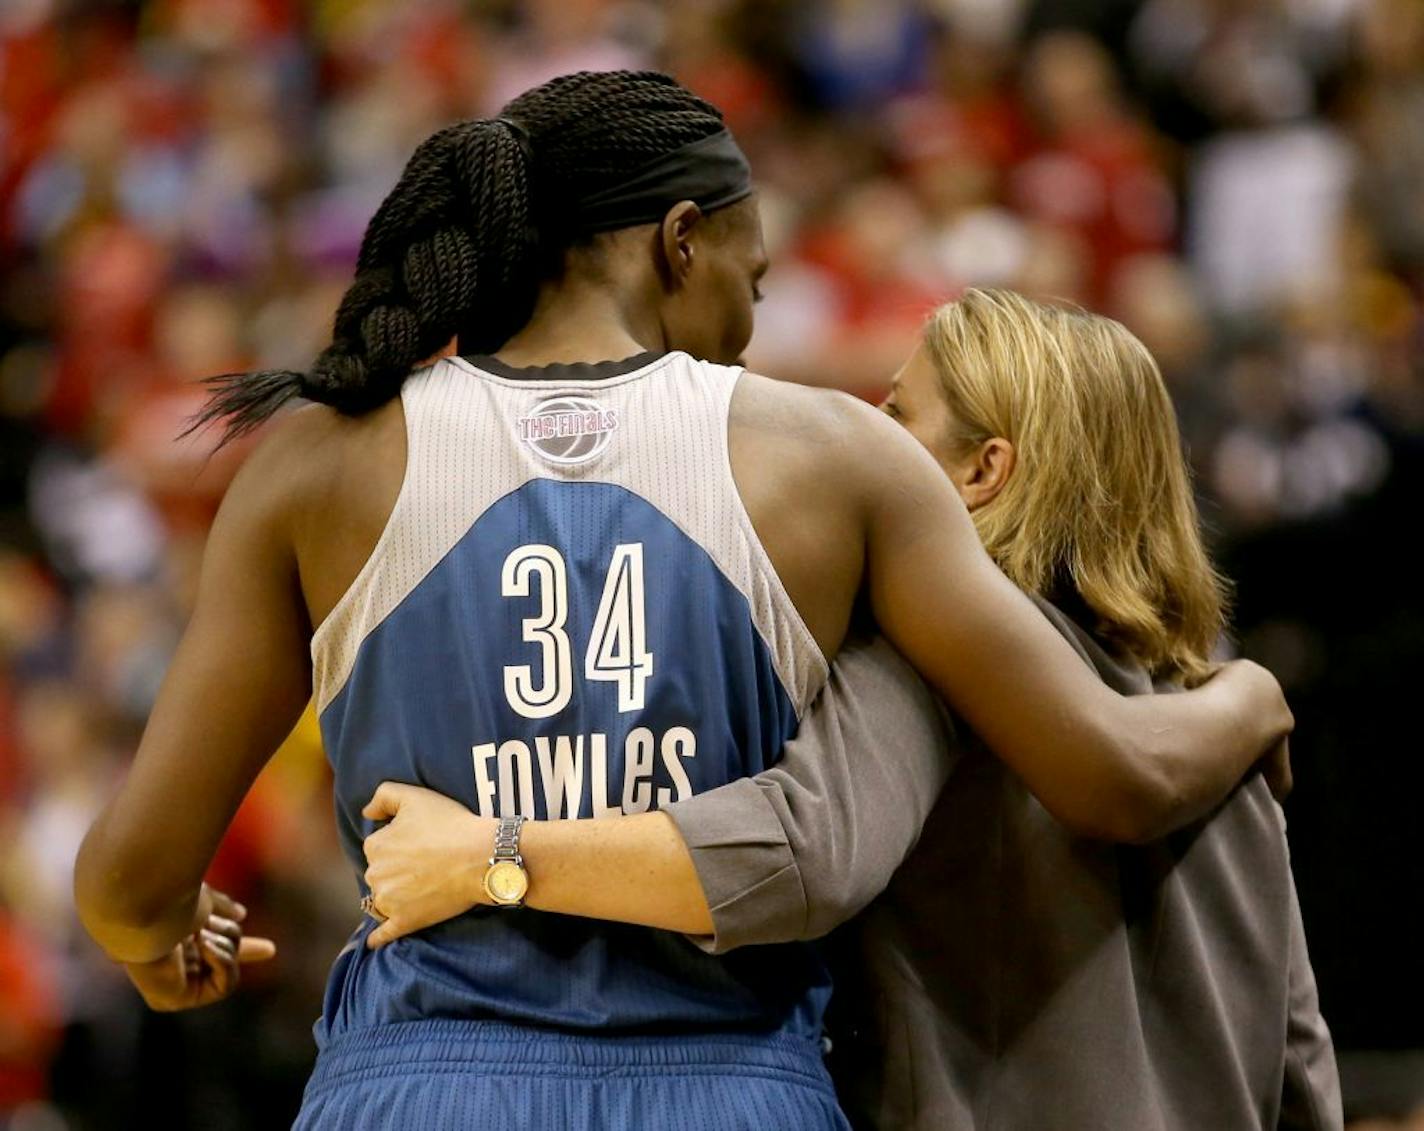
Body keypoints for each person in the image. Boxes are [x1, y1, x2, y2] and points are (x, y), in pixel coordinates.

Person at [72, 72, 1292, 1131]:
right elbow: (1115, 778)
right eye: (751, 282)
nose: (751, 325)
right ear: (678, 241)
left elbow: (126, 879)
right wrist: (1250, 695)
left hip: (414, 1080)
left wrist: (165, 943)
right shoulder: (834, 458)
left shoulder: (316, 463)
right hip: (729, 1084)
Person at [364, 289, 1340, 1130]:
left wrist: (487, 860)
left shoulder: (933, 668)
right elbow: (1297, 1053)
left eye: (892, 416)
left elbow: (793, 857)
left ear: (980, 472)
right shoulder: (1219, 711)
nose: (858, 445)